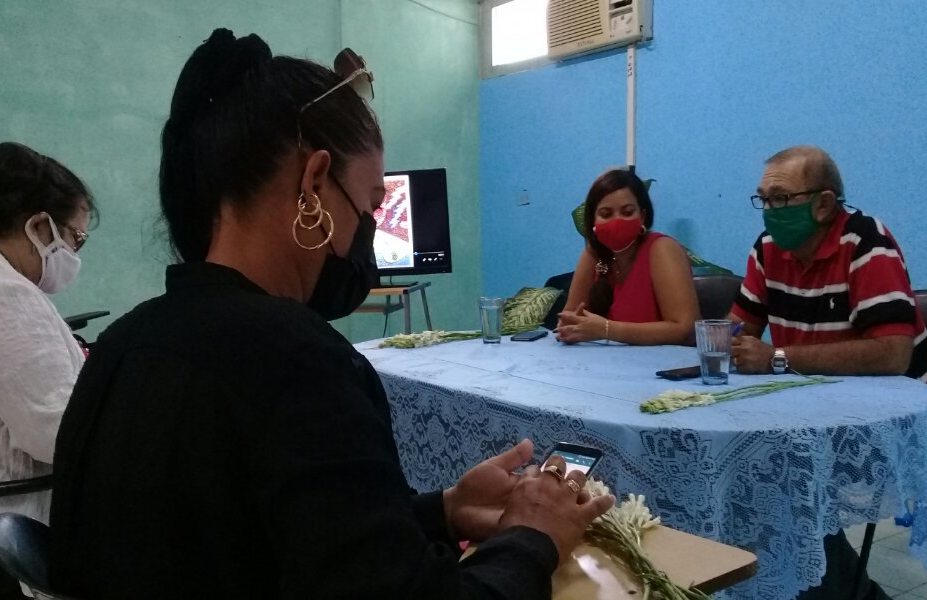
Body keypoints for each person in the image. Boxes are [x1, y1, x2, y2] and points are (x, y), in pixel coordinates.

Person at [48, 29, 613, 599]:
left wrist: (441, 510)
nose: (368, 232)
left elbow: (267, 540)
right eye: (369, 206)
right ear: (313, 183)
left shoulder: (121, 346)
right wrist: (531, 536)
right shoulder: (298, 361)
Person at [728, 145, 927, 600]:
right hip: (808, 406)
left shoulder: (867, 243)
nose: (769, 211)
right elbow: (738, 332)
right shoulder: (768, 250)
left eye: (781, 198)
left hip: (895, 420)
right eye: (763, 199)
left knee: (781, 489)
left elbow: (891, 354)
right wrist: (728, 345)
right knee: (746, 470)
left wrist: (776, 357)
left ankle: (844, 592)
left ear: (824, 203)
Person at [0, 142, 94, 525]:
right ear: (39, 226)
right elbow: (61, 434)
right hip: (45, 515)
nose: (76, 255)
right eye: (77, 239)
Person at [556, 168, 699, 345]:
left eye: (627, 212)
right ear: (593, 220)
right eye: (606, 214)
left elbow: (684, 328)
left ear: (643, 216)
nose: (617, 221)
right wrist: (568, 327)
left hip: (663, 365)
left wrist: (606, 329)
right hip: (602, 365)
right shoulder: (594, 253)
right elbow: (569, 316)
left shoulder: (662, 249)